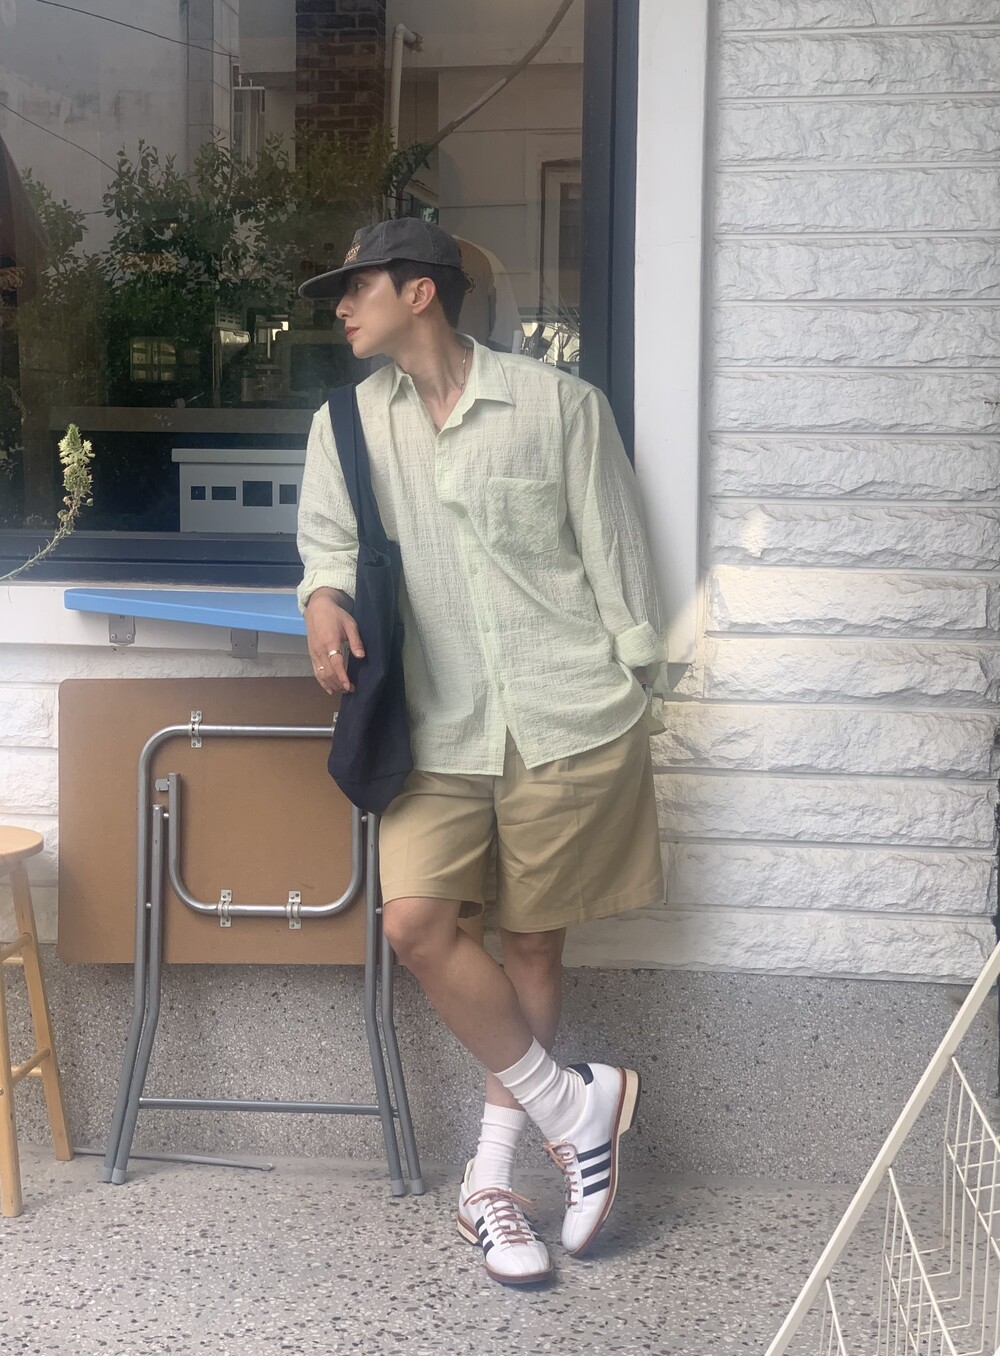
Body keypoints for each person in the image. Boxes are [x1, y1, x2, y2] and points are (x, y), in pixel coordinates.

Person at [296, 218, 666, 1287]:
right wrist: (321, 600)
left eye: (356, 286)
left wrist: (637, 687)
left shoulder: (560, 407)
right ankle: (575, 1107)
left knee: (534, 946)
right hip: (433, 721)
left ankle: (494, 1186)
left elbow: (617, 556)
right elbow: (326, 545)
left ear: (420, 292)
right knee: (417, 925)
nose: (341, 307)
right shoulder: (345, 425)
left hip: (565, 713)